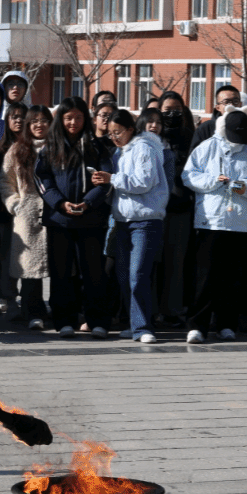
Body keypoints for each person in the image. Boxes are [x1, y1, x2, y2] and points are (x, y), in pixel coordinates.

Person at [183, 107, 247, 342]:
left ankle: (226, 324)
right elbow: (188, 176)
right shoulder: (207, 147)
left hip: (240, 223)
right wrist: (213, 181)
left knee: (233, 277)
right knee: (205, 276)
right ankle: (197, 325)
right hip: (210, 221)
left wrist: (244, 187)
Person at [35, 97, 113, 338]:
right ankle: (64, 321)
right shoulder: (50, 146)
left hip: (91, 219)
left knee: (93, 272)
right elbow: (42, 178)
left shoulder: (96, 146)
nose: (73, 122)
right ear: (61, 119)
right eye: (68, 118)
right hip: (59, 219)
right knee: (61, 273)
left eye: (78, 117)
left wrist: (88, 202)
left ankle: (97, 320)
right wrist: (60, 203)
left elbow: (106, 179)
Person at [93, 109, 168, 342]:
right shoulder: (120, 152)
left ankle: (143, 327)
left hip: (146, 220)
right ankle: (135, 324)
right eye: (110, 133)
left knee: (138, 274)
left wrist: (112, 179)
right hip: (123, 220)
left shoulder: (144, 148)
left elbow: (144, 182)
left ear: (130, 130)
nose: (114, 137)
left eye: (118, 132)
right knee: (124, 275)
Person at [0, 105, 52, 330]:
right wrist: (15, 204)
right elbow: (5, 181)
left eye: (44, 120)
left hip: (54, 212)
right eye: (34, 121)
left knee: (58, 265)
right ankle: (32, 312)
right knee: (30, 268)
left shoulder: (57, 146)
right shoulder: (17, 150)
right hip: (27, 215)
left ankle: (56, 309)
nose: (39, 125)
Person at [154, 91, 196, 327]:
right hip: (152, 208)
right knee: (151, 263)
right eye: (167, 110)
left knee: (175, 263)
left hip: (179, 208)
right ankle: (150, 310)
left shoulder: (189, 137)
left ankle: (171, 310)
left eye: (177, 110)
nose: (172, 115)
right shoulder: (151, 137)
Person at [0, 101, 28, 316]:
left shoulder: (33, 147)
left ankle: (25, 298)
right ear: (7, 120)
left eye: (22, 117)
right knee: (4, 255)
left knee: (26, 256)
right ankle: (5, 295)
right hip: (4, 211)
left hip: (29, 211)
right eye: (14, 117)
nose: (18, 121)